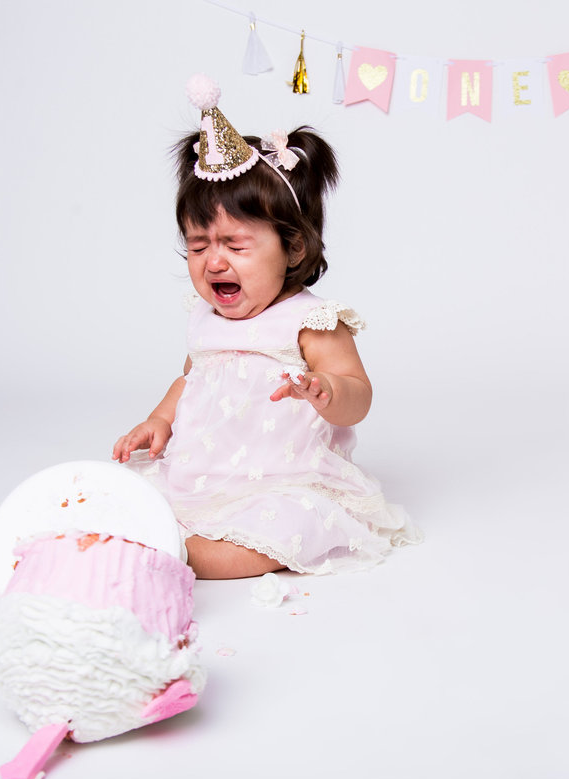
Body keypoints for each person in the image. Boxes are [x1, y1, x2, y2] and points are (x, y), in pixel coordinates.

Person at [113, 76, 420, 580]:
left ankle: (183, 555)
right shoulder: (205, 318)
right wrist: (159, 420)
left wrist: (326, 390)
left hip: (285, 479)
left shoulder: (309, 321)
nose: (214, 262)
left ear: (293, 248)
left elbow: (359, 396)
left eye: (235, 245)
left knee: (288, 525)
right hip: (204, 473)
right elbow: (190, 379)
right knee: (128, 490)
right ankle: (158, 534)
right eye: (197, 245)